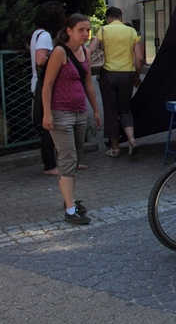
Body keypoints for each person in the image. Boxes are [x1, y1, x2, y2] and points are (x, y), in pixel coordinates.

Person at [41, 14, 102, 225]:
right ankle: (69, 210)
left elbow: (88, 84)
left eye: (88, 30)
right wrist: (47, 113)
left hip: (79, 112)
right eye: (81, 30)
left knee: (74, 161)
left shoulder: (85, 51)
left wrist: (95, 110)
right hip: (60, 113)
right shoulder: (59, 52)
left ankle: (70, 201)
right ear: (69, 31)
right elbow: (47, 84)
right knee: (67, 161)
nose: (85, 34)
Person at [89, 7, 144, 157]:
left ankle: (115, 149)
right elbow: (139, 58)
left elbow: (91, 50)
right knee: (125, 109)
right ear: (120, 16)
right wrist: (136, 76)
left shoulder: (103, 30)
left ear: (108, 18)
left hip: (108, 74)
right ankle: (132, 140)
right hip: (127, 75)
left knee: (111, 111)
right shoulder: (131, 32)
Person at [30, 1, 65, 176]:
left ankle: (51, 163)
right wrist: (57, 57)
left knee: (48, 127)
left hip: (37, 82)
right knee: (48, 127)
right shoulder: (44, 36)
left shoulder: (37, 33)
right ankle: (50, 165)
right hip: (44, 84)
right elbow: (40, 59)